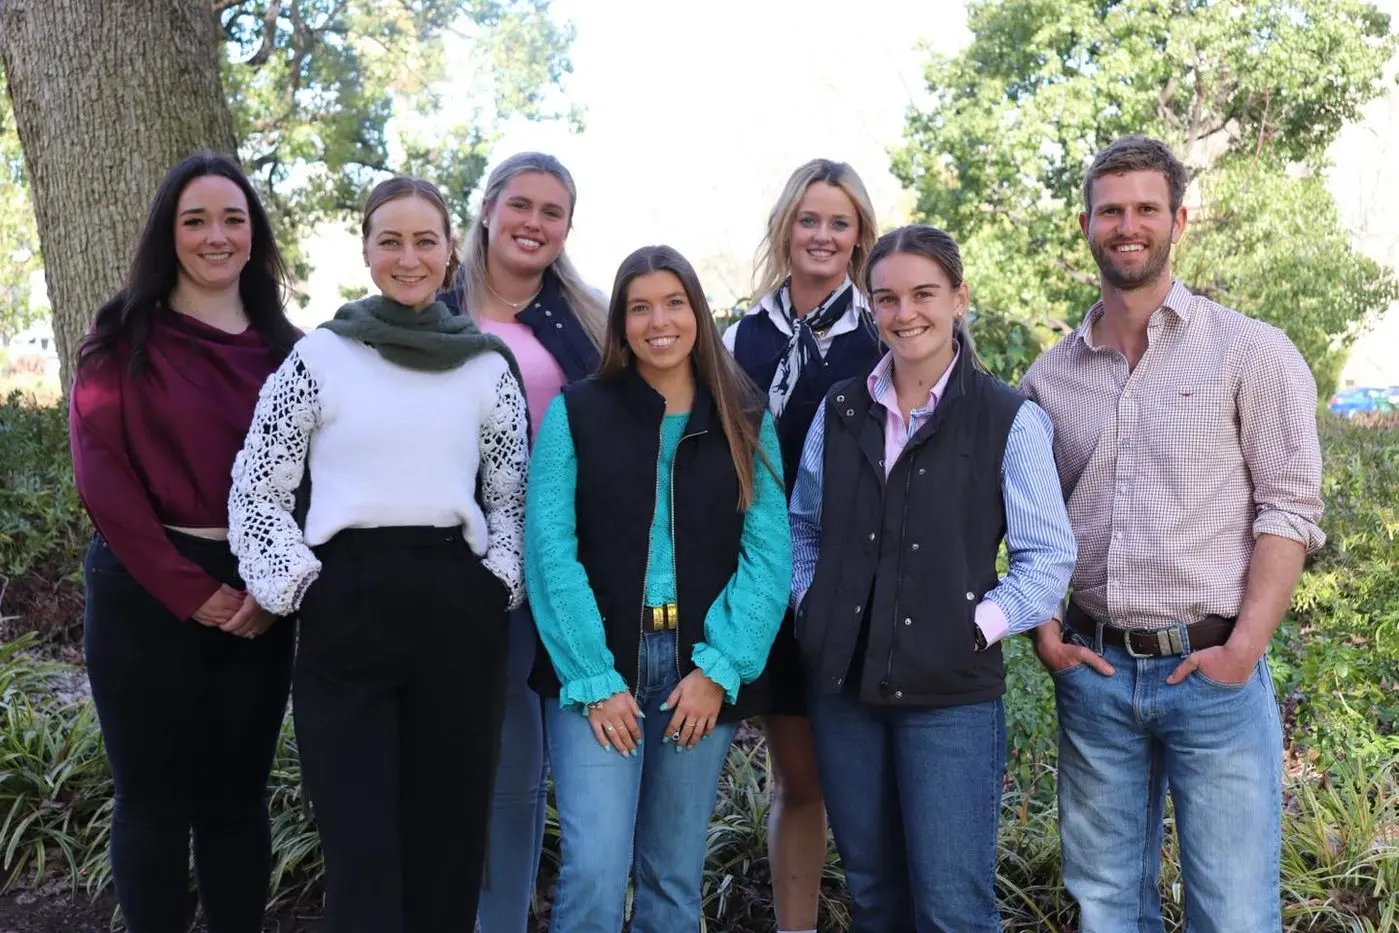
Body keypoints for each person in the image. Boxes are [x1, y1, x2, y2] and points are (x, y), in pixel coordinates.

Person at [1020, 135, 1325, 933]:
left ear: (1177, 220)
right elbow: (1029, 521)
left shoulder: (1249, 352)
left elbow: (1288, 508)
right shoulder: (1048, 377)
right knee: (1106, 905)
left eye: (1145, 208)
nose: (1128, 224)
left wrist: (1243, 649)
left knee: (1232, 911)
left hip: (1212, 675)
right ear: (1084, 223)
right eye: (1110, 209)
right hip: (1091, 673)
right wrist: (1044, 628)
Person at [227, 176, 530, 933]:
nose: (408, 256)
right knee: (361, 851)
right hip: (345, 606)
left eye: (424, 240)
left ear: (450, 251)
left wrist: (494, 583)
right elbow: (258, 486)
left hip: (457, 610)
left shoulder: (485, 366)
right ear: (365, 249)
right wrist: (300, 587)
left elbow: (512, 497)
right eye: (389, 240)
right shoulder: (320, 358)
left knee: (449, 841)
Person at [790, 224, 1077, 932]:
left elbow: (1047, 557)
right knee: (873, 894)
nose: (904, 313)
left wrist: (975, 625)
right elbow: (803, 525)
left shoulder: (1008, 418)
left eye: (923, 293)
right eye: (885, 298)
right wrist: (813, 606)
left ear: (958, 298)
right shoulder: (841, 409)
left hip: (950, 698)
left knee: (952, 907)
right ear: (870, 308)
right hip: (843, 691)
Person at [525, 245, 791, 932]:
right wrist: (592, 673)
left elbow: (767, 556)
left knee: (672, 877)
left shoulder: (745, 417)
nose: (658, 320)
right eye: (639, 306)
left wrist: (719, 669)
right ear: (620, 323)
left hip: (695, 669)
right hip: (599, 669)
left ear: (697, 313)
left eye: (673, 302)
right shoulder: (577, 411)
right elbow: (549, 548)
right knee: (593, 869)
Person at [69, 150, 299, 933]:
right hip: (143, 590)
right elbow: (103, 476)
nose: (215, 236)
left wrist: (271, 589)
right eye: (195, 219)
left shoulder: (292, 351)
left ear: (253, 236)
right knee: (152, 798)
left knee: (236, 798)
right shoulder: (120, 336)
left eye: (233, 219)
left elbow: (316, 484)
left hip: (259, 593)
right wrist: (189, 589)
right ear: (168, 234)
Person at [438, 151, 602, 931]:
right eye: (522, 205)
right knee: (437, 752)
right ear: (487, 209)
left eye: (552, 211)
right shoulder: (432, 306)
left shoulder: (587, 322)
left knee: (515, 756)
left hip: (547, 566)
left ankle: (499, 917)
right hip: (438, 563)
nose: (534, 222)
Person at [721, 158, 883, 933]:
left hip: (858, 590)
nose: (821, 235)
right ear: (786, 226)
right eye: (808, 219)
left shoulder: (885, 334)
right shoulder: (736, 338)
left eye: (839, 222)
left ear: (859, 237)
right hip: (762, 587)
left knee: (862, 777)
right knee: (798, 779)